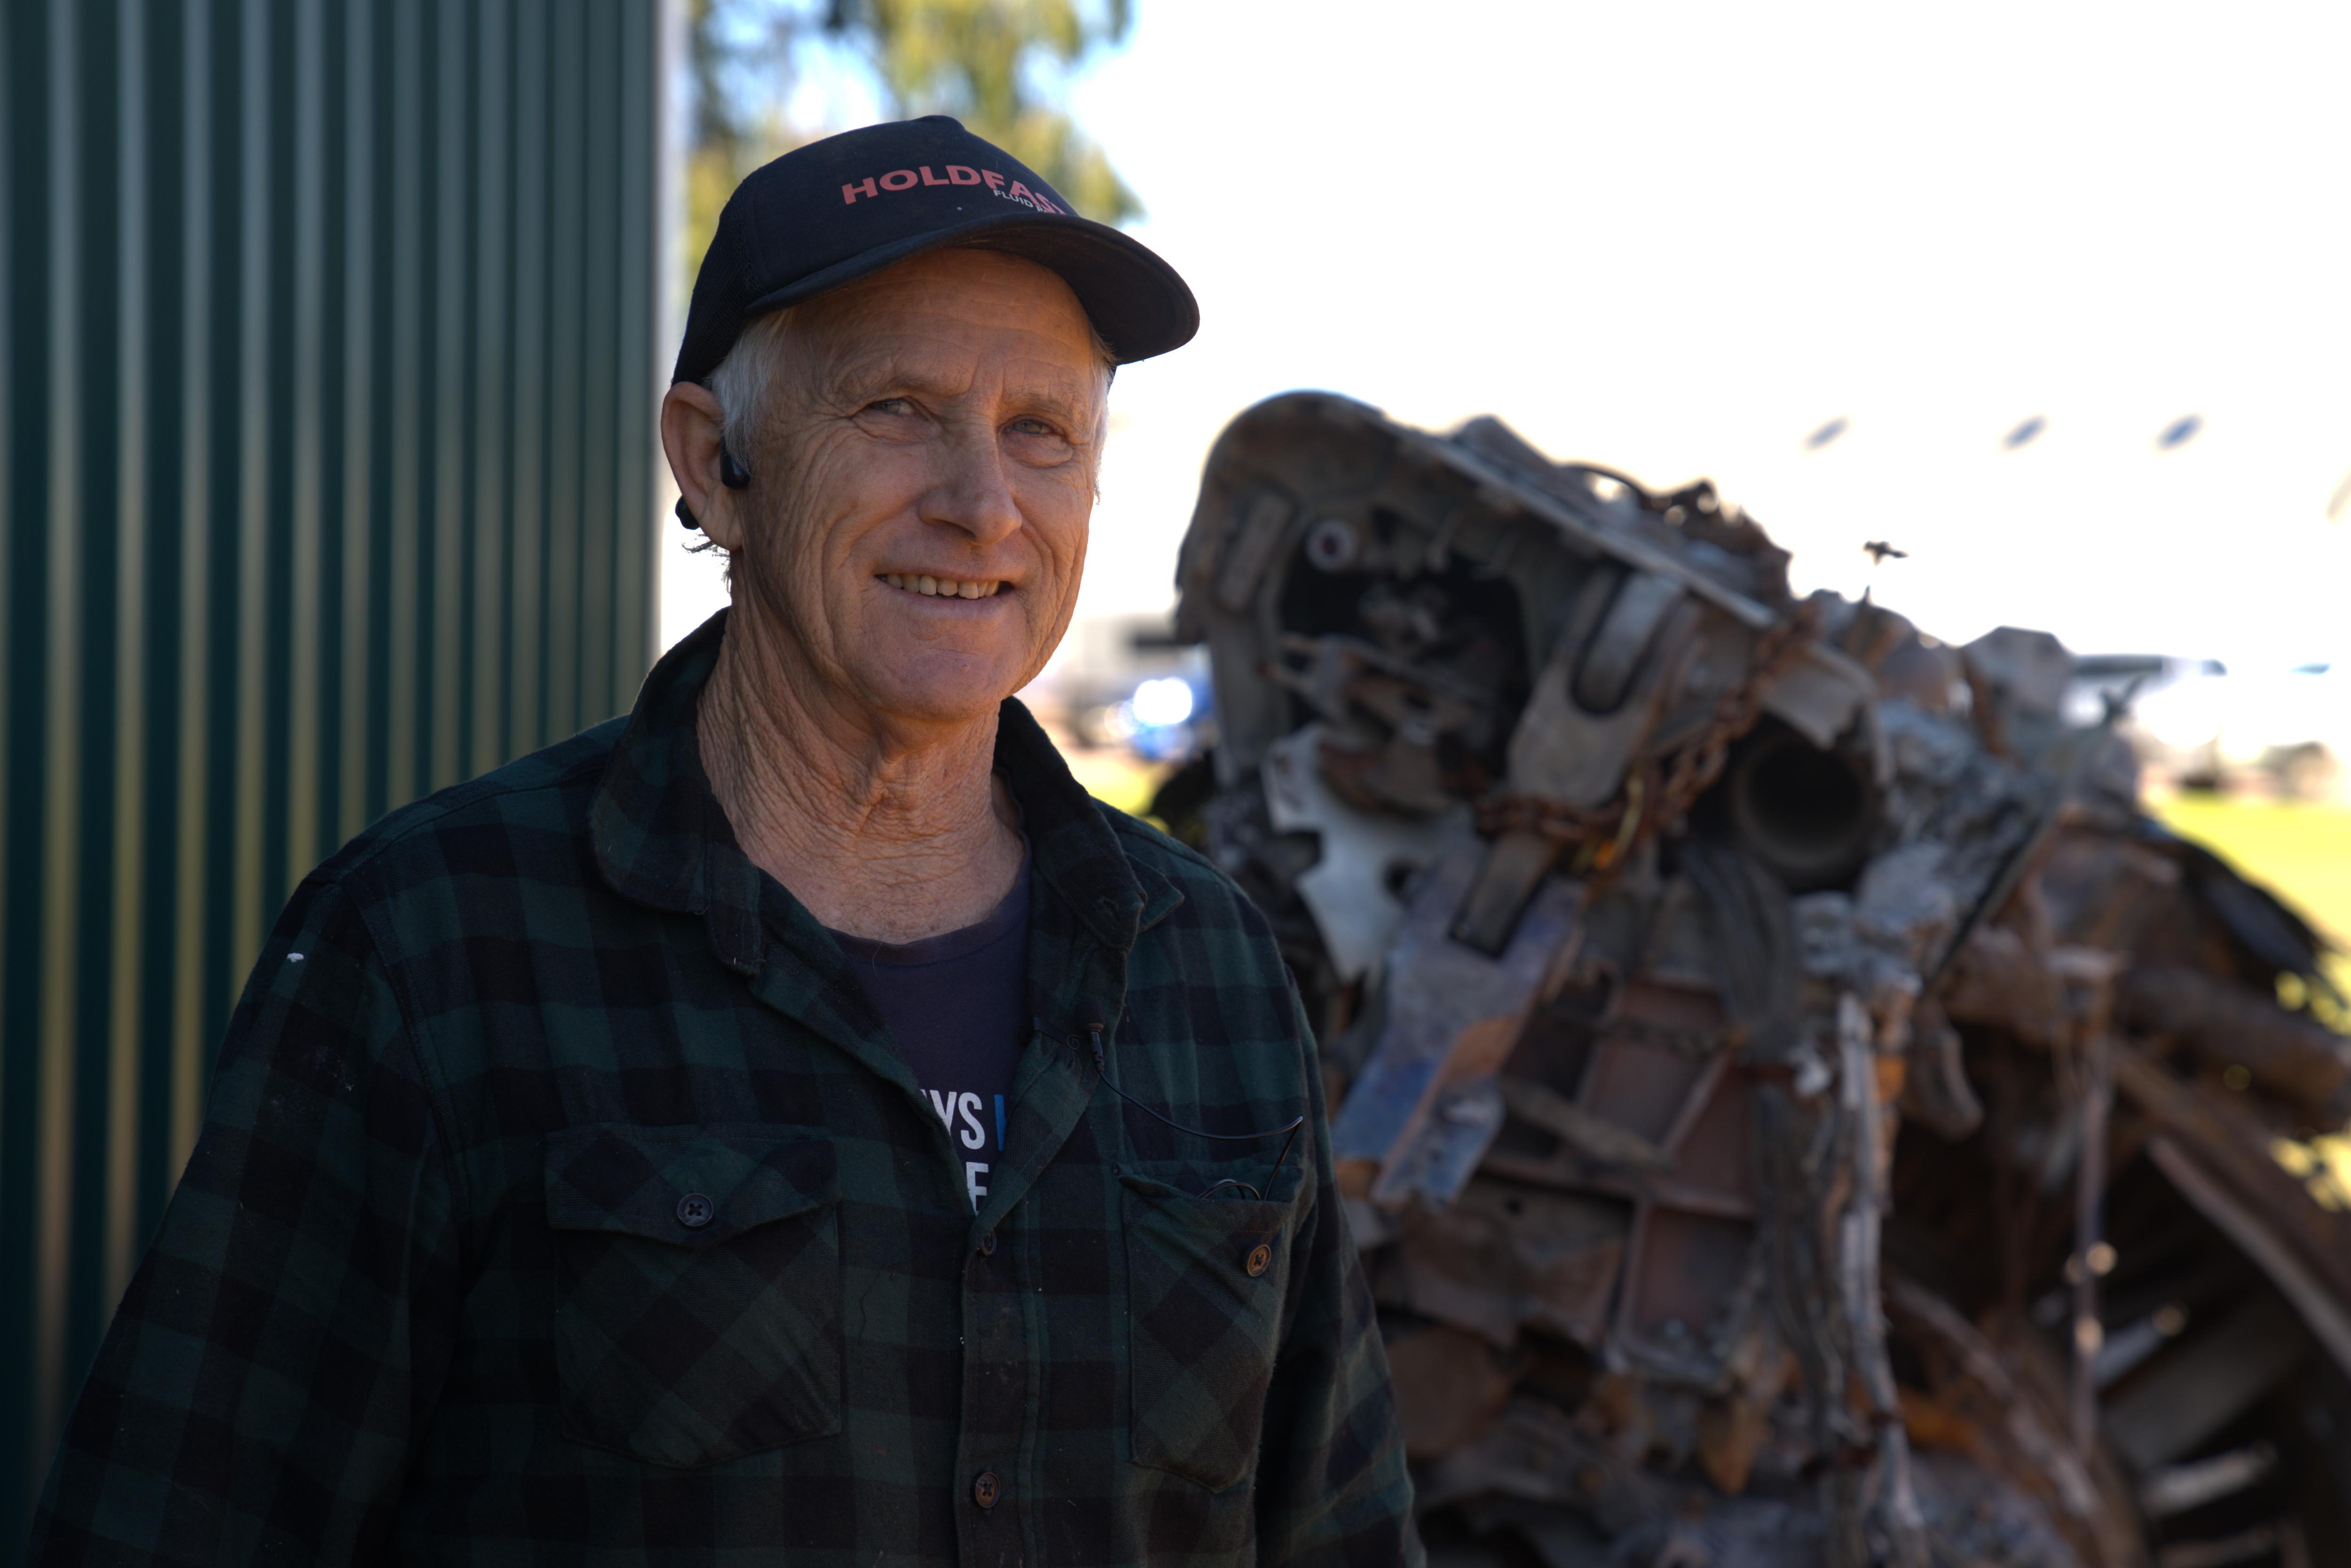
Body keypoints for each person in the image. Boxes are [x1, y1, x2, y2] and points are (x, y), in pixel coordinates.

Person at [31, 116, 1419, 1565]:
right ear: (713, 462)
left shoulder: (1212, 973)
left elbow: (1342, 1533)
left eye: (1040, 431)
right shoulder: (436, 952)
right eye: (897, 408)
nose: (981, 502)